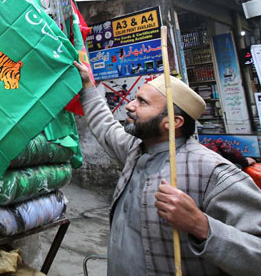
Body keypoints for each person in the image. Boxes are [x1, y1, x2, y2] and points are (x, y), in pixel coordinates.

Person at [74, 61, 261, 275]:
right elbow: (106, 126)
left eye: (142, 102)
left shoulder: (214, 173)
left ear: (173, 122)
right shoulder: (135, 149)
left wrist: (202, 226)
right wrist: (87, 85)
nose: (129, 106)